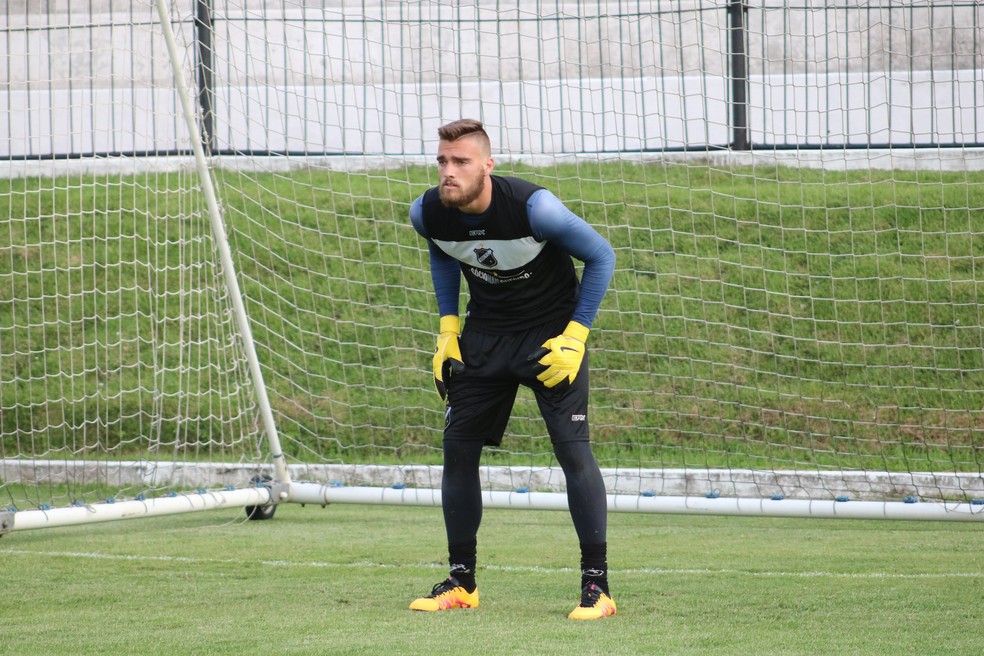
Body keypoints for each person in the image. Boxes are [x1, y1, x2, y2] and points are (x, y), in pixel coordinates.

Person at [407, 119, 617, 620]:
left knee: (572, 452)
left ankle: (597, 588)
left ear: (487, 165)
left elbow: (602, 256)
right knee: (457, 450)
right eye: (442, 161)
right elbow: (443, 252)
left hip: (550, 338)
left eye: (459, 162)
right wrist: (448, 329)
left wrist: (575, 336)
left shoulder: (534, 208)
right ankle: (462, 582)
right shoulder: (428, 213)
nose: (448, 172)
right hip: (484, 338)